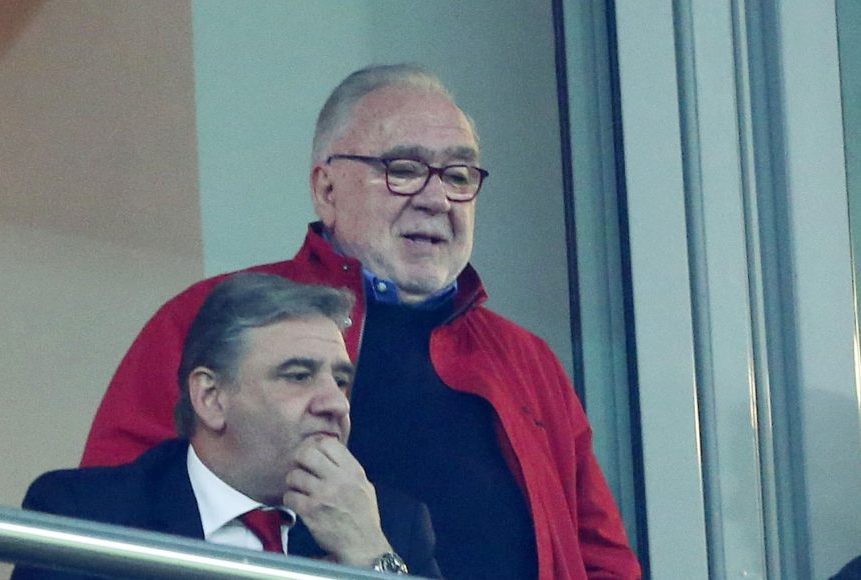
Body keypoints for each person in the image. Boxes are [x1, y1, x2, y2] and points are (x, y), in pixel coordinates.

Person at [81, 64, 641, 579]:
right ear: (326, 189)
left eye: (458, 175)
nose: (437, 199)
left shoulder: (526, 360)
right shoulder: (217, 318)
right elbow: (114, 526)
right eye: (404, 170)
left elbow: (603, 561)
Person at [13, 273, 440, 579]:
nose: (335, 403)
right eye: (298, 376)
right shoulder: (86, 515)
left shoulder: (390, 525)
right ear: (211, 398)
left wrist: (369, 557)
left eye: (341, 381)